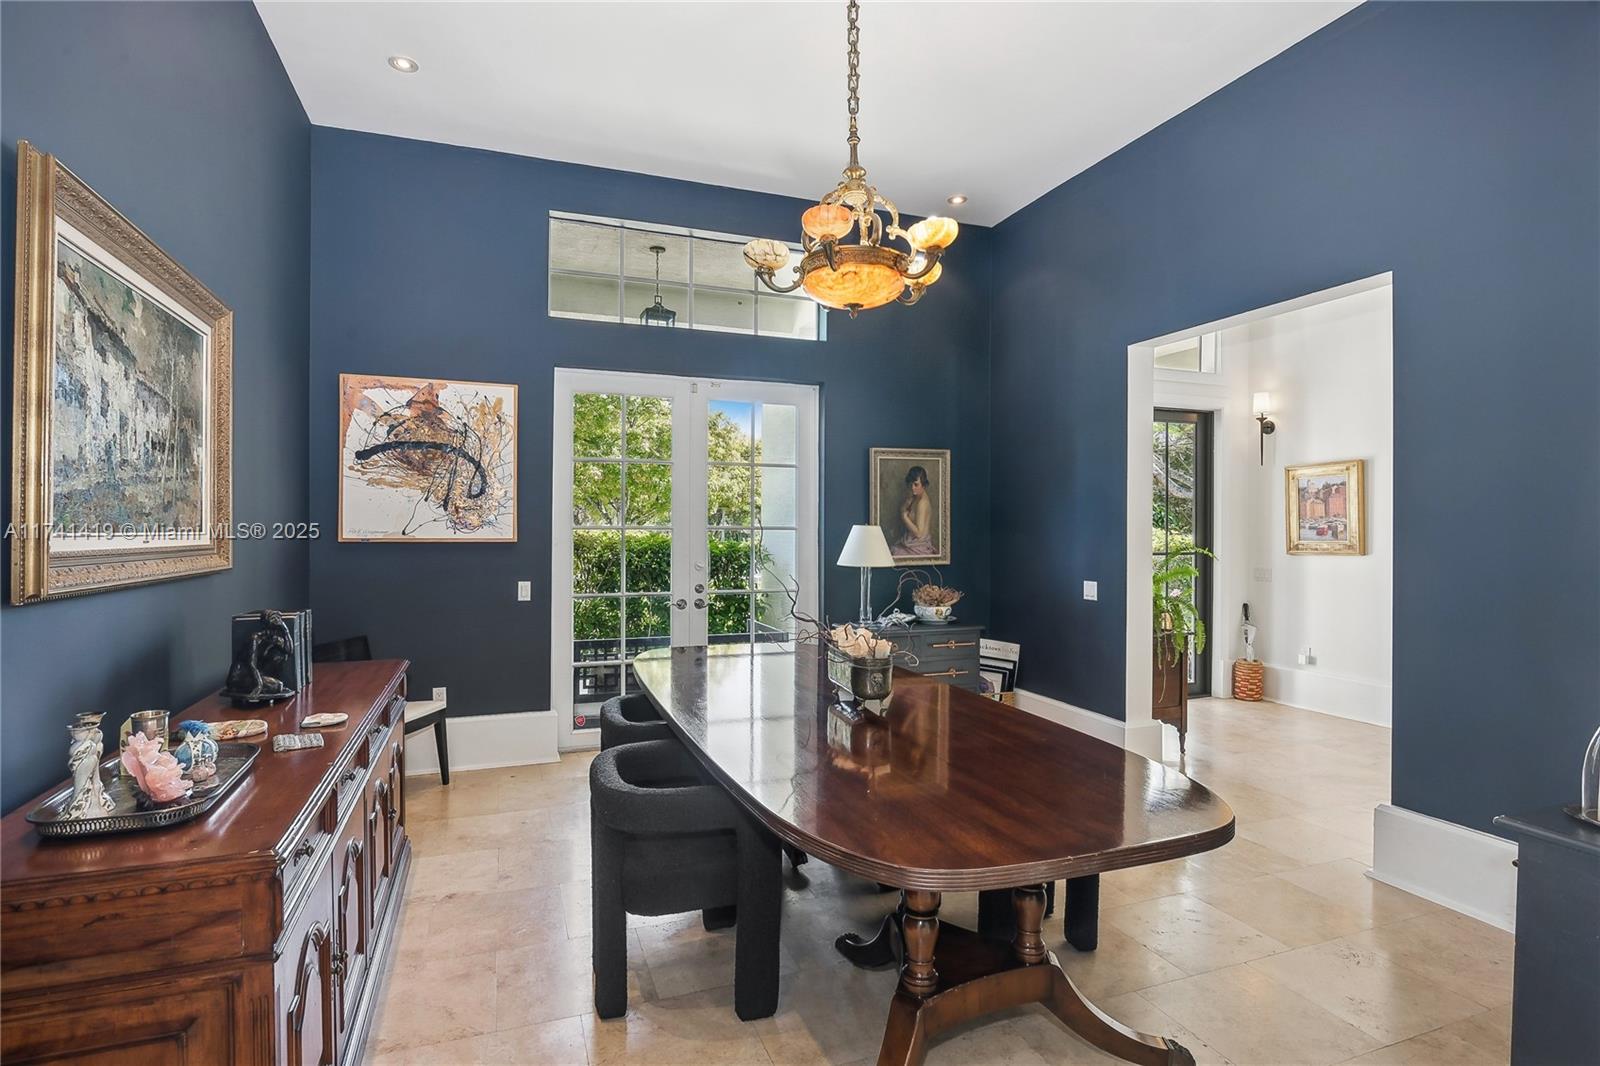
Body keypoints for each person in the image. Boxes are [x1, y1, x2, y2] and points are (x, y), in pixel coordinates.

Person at [892, 466, 936, 557]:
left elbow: (919, 533)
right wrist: (906, 506)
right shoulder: (915, 497)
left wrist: (904, 517)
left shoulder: (922, 503)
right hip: (912, 542)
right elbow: (903, 509)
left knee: (894, 552)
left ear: (923, 484)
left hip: (919, 546)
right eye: (911, 484)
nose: (912, 487)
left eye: (916, 484)